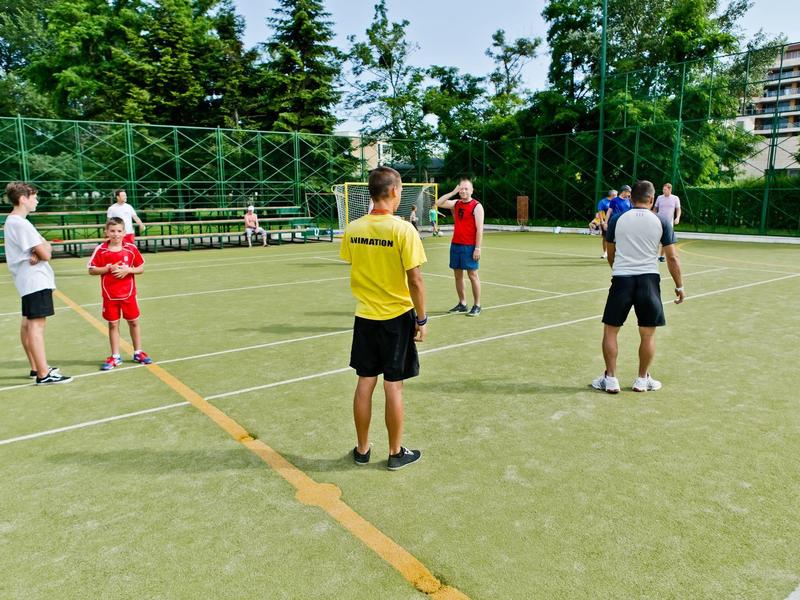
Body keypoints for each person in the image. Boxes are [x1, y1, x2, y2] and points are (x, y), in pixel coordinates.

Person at [340, 166, 427, 471]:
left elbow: (354, 261)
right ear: (393, 191)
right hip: (396, 317)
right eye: (400, 189)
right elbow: (415, 280)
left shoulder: (353, 228)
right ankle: (395, 452)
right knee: (394, 385)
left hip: (365, 316)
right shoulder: (403, 229)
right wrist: (422, 318)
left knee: (365, 381)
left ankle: (362, 449)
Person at [592, 180, 685, 394]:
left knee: (611, 331)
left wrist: (617, 269)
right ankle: (642, 380)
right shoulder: (661, 220)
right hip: (649, 280)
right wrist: (679, 286)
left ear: (631, 198)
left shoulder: (617, 219)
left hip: (622, 279)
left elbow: (612, 251)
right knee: (648, 334)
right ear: (652, 200)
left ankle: (611, 379)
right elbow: (672, 258)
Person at [3, 182, 72, 385]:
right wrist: (41, 250)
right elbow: (46, 252)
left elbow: (44, 247)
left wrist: (42, 248)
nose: (37, 200)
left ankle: (36, 368)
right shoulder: (21, 223)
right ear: (23, 199)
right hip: (34, 279)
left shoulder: (14, 222)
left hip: (28, 280)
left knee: (28, 324)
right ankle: (44, 374)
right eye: (34, 197)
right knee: (36, 325)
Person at [88, 217, 153, 370]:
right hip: (109, 295)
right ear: (106, 232)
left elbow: (141, 268)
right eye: (112, 231)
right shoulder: (101, 250)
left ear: (124, 232)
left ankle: (138, 352)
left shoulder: (130, 249)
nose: (116, 234)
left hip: (128, 294)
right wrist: (108, 268)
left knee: (134, 322)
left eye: (119, 231)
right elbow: (91, 270)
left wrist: (128, 270)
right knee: (113, 324)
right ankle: (115, 356)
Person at [436, 177, 484, 317]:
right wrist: (453, 192)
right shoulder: (456, 203)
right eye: (461, 188)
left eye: (466, 188)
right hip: (456, 244)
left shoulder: (477, 206)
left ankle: (477, 305)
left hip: (470, 247)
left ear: (472, 190)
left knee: (472, 275)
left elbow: (479, 229)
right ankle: (462, 304)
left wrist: (477, 248)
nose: (463, 191)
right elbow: (438, 203)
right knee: (457, 276)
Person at [653, 183, 681, 263]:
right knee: (656, 238)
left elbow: (678, 209)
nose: (663, 191)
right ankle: (653, 255)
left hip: (669, 223)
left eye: (665, 189)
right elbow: (655, 208)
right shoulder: (659, 198)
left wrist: (677, 217)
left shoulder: (675, 198)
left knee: (666, 240)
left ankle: (661, 256)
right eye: (663, 189)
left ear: (670, 189)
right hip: (659, 221)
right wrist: (653, 217)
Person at [597, 189, 616, 258]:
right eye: (615, 195)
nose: (617, 196)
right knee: (605, 238)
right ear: (612, 195)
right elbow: (600, 212)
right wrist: (602, 221)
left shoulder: (616, 201)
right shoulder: (603, 202)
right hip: (606, 222)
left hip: (616, 221)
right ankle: (605, 252)